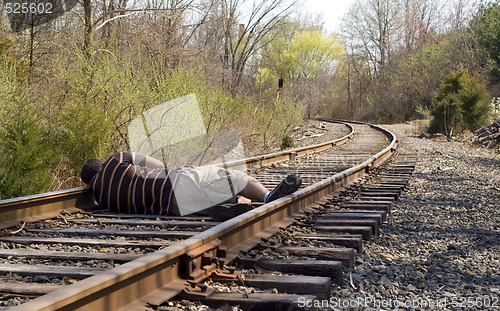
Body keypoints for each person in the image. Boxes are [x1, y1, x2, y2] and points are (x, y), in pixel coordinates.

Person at [80, 152, 302, 218]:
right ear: (100, 164)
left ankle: (224, 208)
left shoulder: (102, 198)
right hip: (177, 184)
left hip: (172, 210)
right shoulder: (115, 160)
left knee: (216, 197)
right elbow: (158, 164)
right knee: (235, 178)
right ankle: (266, 196)